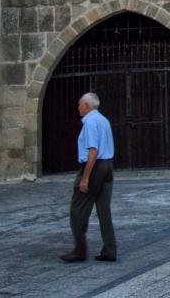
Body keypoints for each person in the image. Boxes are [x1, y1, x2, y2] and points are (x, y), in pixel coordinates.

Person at [59, 92, 118, 263]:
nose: (78, 107)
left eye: (79, 104)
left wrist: (85, 178)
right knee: (103, 211)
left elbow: (93, 151)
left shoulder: (91, 122)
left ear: (86, 105)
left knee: (77, 210)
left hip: (95, 167)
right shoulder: (104, 120)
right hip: (107, 166)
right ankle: (110, 250)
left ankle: (79, 250)